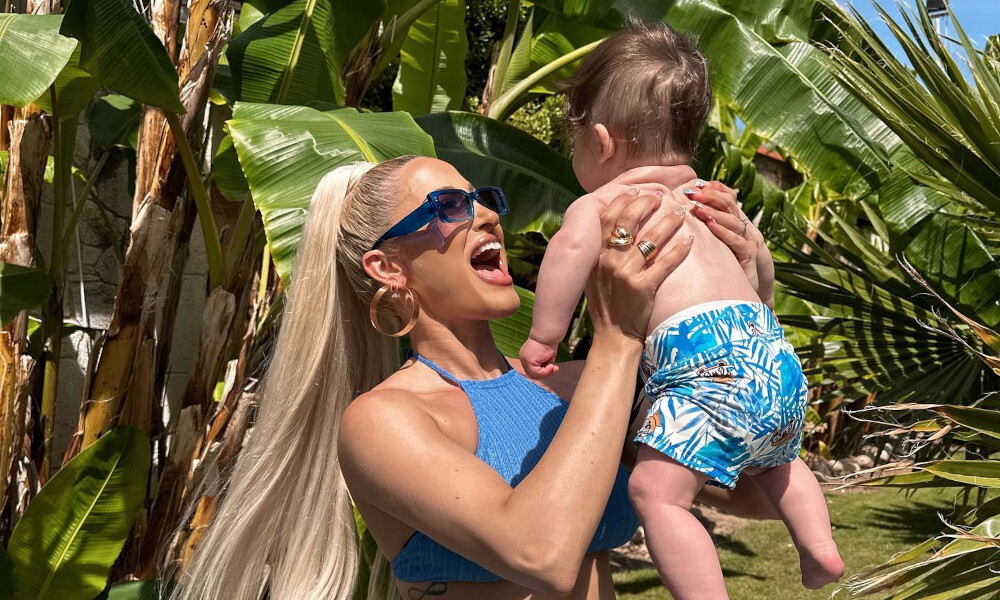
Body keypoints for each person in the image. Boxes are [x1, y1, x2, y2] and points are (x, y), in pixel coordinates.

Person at [169, 154, 775, 600]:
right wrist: (618, 337)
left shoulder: (574, 389)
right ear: (387, 267)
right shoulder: (384, 421)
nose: (487, 215)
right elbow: (540, 553)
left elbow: (753, 491)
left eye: (481, 198)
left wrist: (750, 297)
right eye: (449, 207)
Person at [519, 21, 844, 599]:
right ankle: (819, 549)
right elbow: (758, 267)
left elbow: (567, 253)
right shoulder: (708, 203)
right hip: (773, 358)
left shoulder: (605, 204)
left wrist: (545, 336)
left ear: (600, 141)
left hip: (705, 368)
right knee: (777, 463)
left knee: (656, 494)